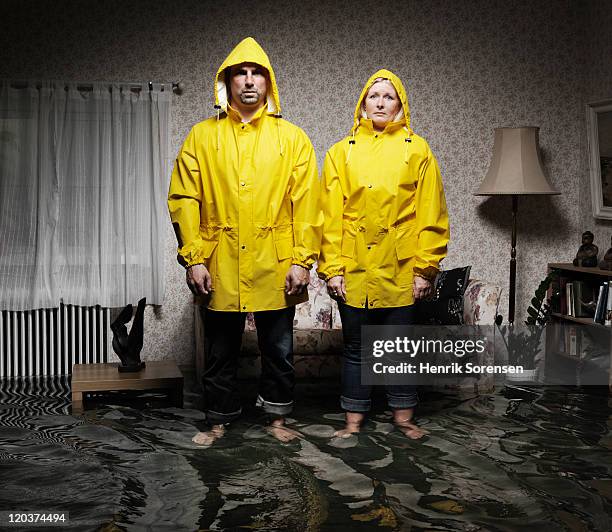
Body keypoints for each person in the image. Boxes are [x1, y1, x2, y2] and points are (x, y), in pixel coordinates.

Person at [168, 37, 321, 446]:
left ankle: (277, 418)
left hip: (277, 260)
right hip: (219, 262)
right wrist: (194, 258)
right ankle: (217, 420)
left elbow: (308, 204)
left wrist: (301, 261)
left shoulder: (293, 138)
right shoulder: (201, 136)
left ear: (269, 83)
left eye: (257, 73)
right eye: (241, 72)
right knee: (220, 351)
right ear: (227, 82)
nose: (249, 81)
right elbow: (185, 199)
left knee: (279, 349)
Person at [318, 69, 449, 440]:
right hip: (355, 267)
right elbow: (328, 216)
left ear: (400, 105)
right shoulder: (340, 152)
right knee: (357, 348)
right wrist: (332, 270)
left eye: (388, 96)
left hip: (401, 267)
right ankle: (352, 423)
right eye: (373, 96)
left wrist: (425, 269)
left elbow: (431, 213)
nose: (380, 102)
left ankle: (403, 419)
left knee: (398, 348)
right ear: (362, 104)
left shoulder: (418, 149)